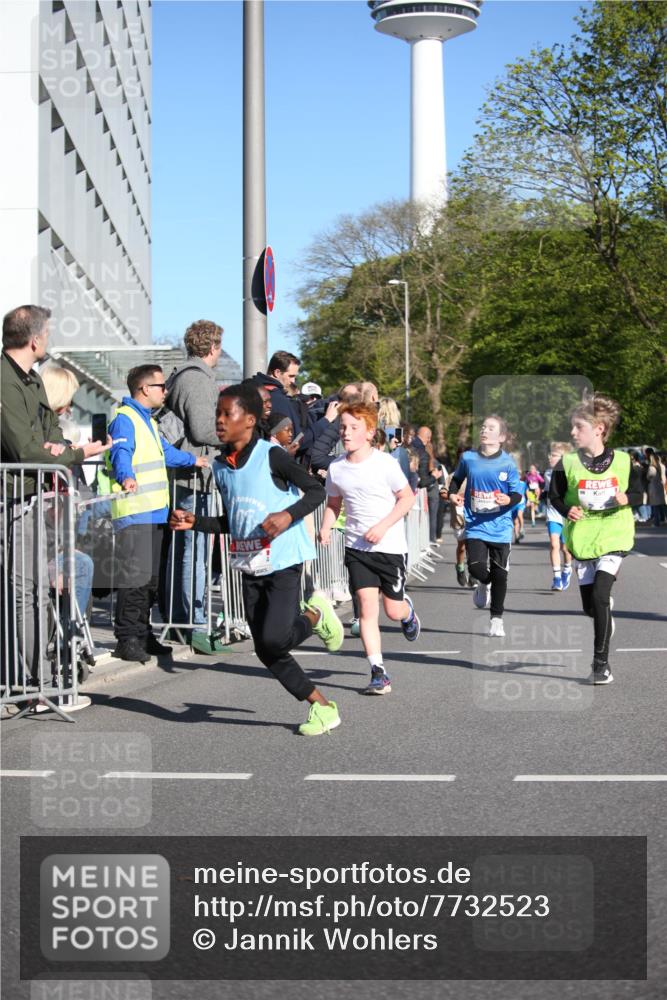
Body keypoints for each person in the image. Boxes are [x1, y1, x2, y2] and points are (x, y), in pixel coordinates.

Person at [170, 383, 344, 736]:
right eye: (217, 413)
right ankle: (323, 707)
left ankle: (314, 614)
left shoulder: (272, 456)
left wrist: (287, 515)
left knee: (275, 640)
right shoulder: (220, 466)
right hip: (249, 563)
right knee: (266, 649)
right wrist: (195, 522)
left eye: (227, 413)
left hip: (284, 559)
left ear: (249, 420)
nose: (219, 420)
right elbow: (235, 521)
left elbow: (315, 491)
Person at [0, 305, 110, 685]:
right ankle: (32, 684)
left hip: (30, 498)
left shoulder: (31, 380)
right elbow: (25, 451)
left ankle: (39, 680)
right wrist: (76, 453)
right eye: (47, 333)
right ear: (34, 339)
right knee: (23, 595)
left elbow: (50, 435)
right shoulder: (5, 380)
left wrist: (60, 448)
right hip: (13, 499)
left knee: (33, 594)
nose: (48, 338)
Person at [107, 365, 208, 663]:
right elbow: (120, 453)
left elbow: (166, 453)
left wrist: (193, 460)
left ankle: (143, 633)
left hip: (154, 512)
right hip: (135, 511)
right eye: (161, 386)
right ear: (144, 389)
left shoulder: (147, 420)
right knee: (135, 581)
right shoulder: (125, 419)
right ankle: (127, 639)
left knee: (150, 582)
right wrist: (126, 476)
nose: (165, 391)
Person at [320, 402, 420, 696]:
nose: (346, 433)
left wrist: (383, 526)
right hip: (356, 547)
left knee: (393, 611)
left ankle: (408, 613)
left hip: (389, 547)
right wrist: (326, 527)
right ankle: (378, 672)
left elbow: (407, 498)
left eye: (354, 427)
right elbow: (334, 503)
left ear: (369, 432)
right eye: (343, 427)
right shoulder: (336, 468)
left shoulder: (385, 463)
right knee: (366, 607)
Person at [549, 394, 639, 685]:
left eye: (579, 426)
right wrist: (567, 509)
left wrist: (629, 498)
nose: (573, 432)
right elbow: (554, 497)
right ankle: (603, 612)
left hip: (614, 533)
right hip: (583, 538)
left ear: (599, 429)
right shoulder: (566, 463)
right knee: (591, 607)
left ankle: (601, 665)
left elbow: (641, 493)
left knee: (600, 595)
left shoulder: (624, 461)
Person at [161, 319, 224, 633]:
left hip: (187, 473)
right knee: (194, 550)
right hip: (194, 476)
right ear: (213, 347)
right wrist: (234, 434)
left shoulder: (183, 375)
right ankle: (194, 622)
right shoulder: (197, 379)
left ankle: (180, 618)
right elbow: (201, 430)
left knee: (186, 549)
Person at [447, 416, 522, 638]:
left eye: (490, 428)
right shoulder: (468, 458)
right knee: (476, 568)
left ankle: (496, 620)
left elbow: (517, 493)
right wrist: (452, 494)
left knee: (501, 575)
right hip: (476, 524)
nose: (484, 430)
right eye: (483, 427)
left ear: (501, 437)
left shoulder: (508, 463)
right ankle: (484, 582)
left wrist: (508, 500)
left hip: (501, 527)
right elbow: (456, 480)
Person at [543, 442, 573, 591]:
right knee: (554, 544)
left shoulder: (571, 472)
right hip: (553, 513)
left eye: (554, 455)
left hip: (567, 514)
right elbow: (547, 491)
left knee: (565, 549)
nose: (550, 457)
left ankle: (567, 569)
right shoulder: (547, 473)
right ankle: (557, 578)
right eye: (550, 454)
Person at [645, 448, 666, 527]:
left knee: (655, 505)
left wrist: (647, 477)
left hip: (654, 487)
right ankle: (663, 519)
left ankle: (656, 522)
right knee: (662, 504)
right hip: (661, 486)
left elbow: (649, 476)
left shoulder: (652, 468)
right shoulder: (662, 466)